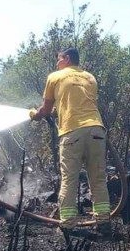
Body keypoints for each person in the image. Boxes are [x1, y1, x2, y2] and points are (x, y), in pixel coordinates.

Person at [30, 48, 111, 234]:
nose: (57, 63)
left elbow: (46, 109)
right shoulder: (90, 78)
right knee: (98, 178)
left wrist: (35, 115)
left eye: (59, 59)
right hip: (97, 131)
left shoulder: (55, 77)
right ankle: (104, 223)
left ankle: (67, 224)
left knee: (69, 179)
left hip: (72, 132)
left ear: (67, 59)